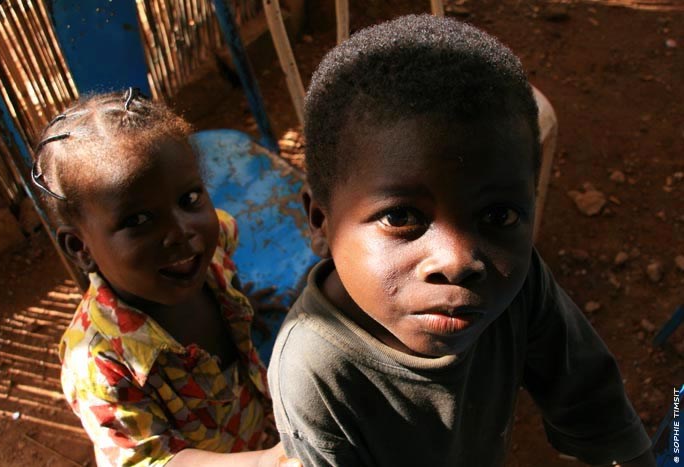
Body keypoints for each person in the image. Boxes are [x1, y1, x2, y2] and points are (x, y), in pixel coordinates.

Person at [267, 15, 655, 466]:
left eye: (498, 215)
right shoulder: (313, 371)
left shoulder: (519, 285)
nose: (458, 262)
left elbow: (595, 405)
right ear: (320, 221)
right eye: (400, 216)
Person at [32, 89, 300, 467]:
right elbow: (156, 460)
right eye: (138, 221)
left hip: (259, 424)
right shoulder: (100, 365)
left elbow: (219, 243)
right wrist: (266, 462)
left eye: (189, 199)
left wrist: (239, 300)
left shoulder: (208, 245)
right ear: (80, 248)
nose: (181, 231)